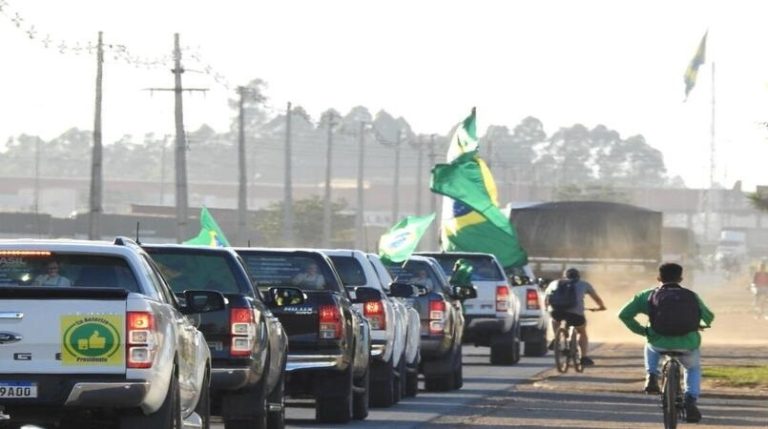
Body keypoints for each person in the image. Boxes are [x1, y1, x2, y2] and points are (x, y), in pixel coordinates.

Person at [618, 262, 714, 423]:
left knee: (650, 346)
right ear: (681, 278)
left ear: (658, 278)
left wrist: (642, 331)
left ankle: (651, 376)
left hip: (658, 340)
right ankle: (691, 400)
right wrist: (700, 324)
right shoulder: (691, 295)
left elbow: (624, 314)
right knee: (692, 368)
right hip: (687, 343)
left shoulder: (647, 295)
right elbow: (709, 316)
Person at [544, 267, 606, 366]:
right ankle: (584, 357)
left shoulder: (554, 283)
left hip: (557, 312)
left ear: (564, 276)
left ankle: (556, 338)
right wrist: (601, 307)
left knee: (554, 319)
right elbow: (596, 298)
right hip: (575, 314)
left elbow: (546, 298)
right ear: (578, 276)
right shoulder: (584, 284)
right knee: (582, 331)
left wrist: (547, 309)